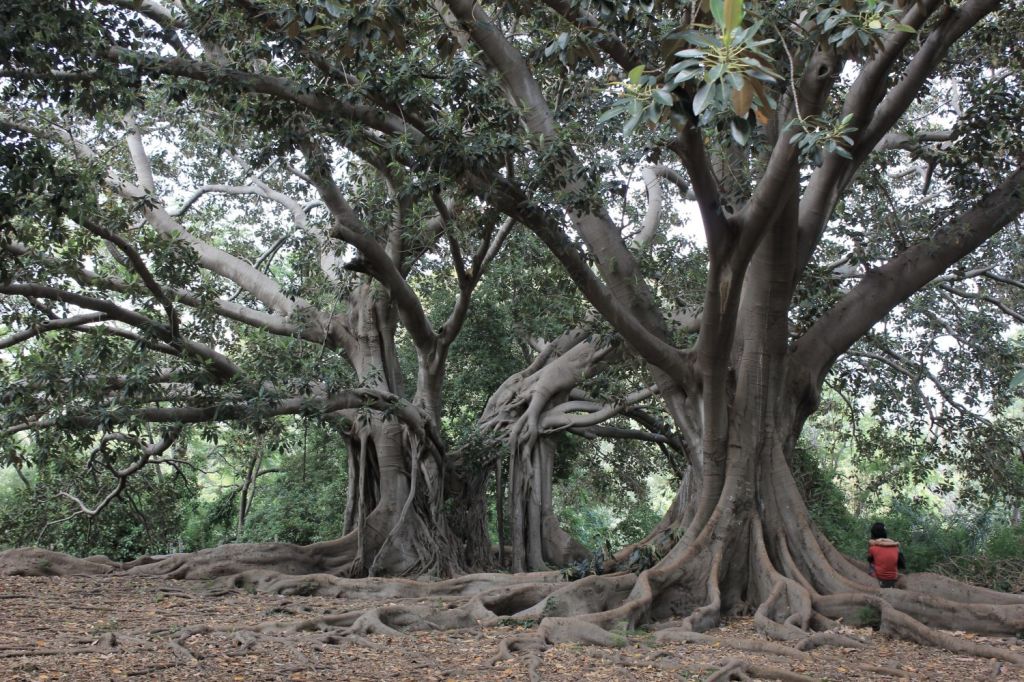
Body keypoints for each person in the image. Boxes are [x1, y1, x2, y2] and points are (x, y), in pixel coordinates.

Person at [867, 522, 905, 588]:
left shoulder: (873, 548)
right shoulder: (895, 547)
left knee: (871, 560)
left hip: (879, 577)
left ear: (873, 533)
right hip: (893, 577)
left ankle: (876, 580)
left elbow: (869, 560)